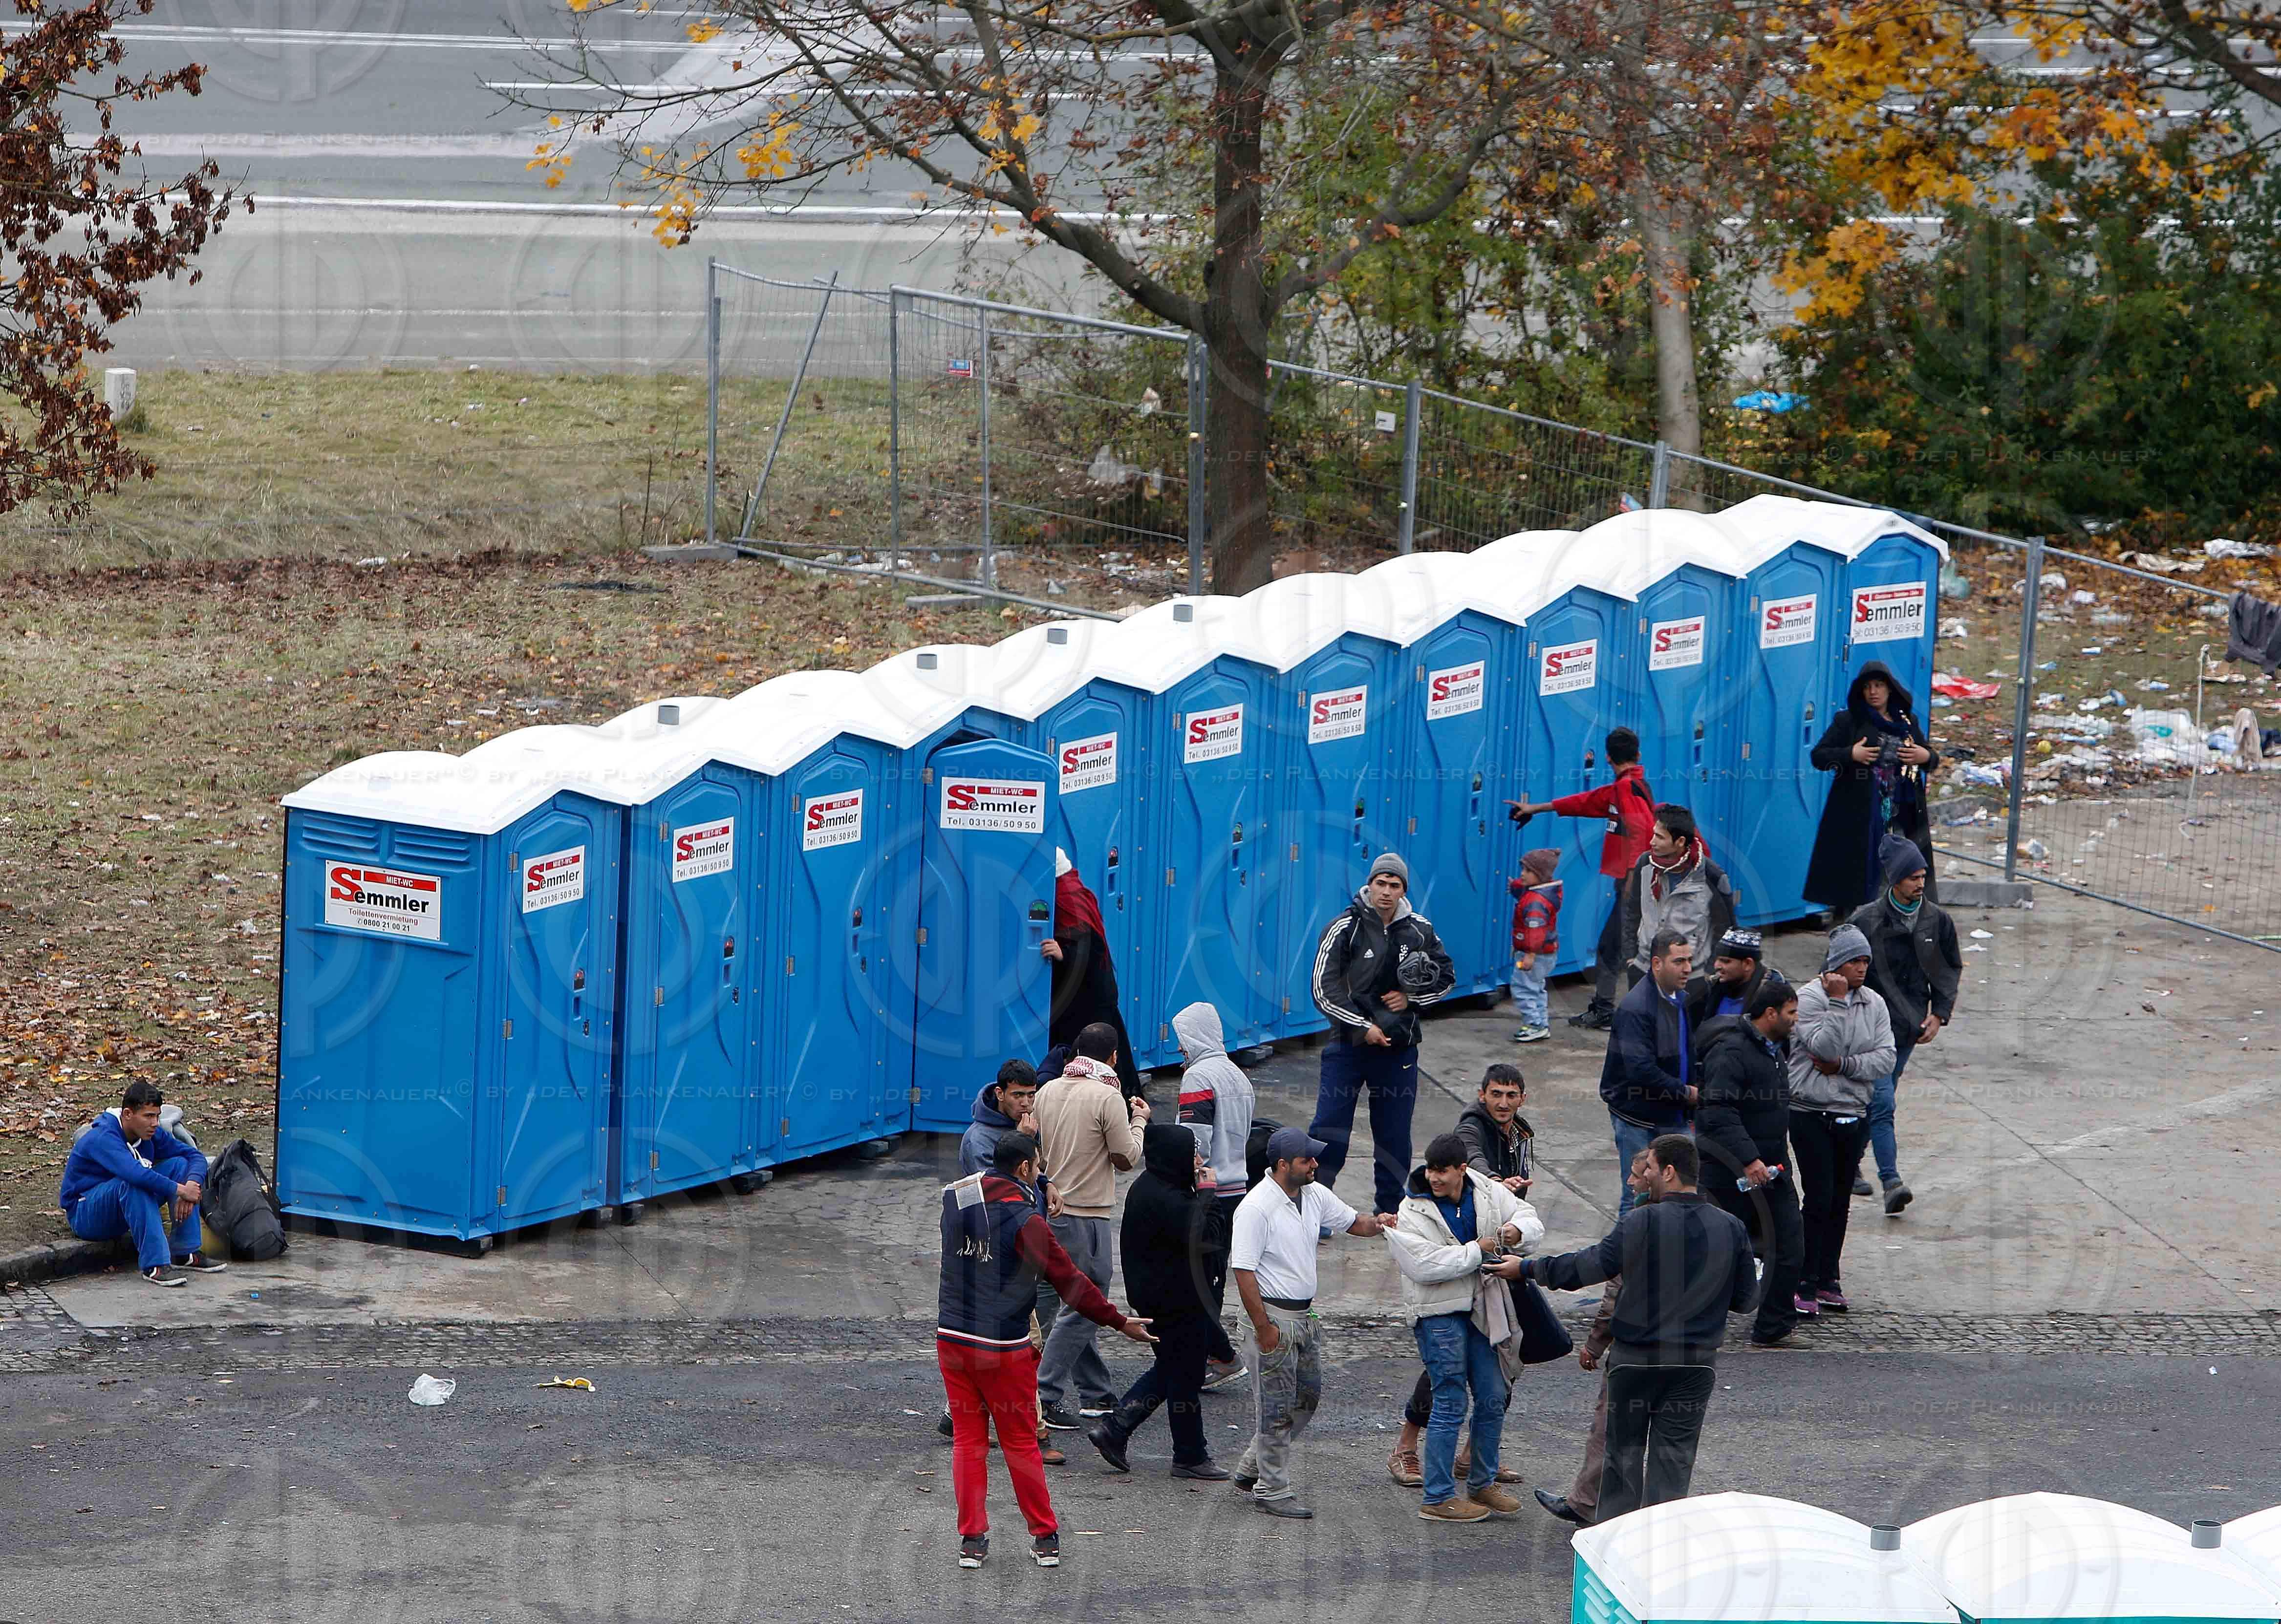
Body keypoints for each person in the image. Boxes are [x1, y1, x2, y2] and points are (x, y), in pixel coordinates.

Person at [936, 1132, 1155, 1571]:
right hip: (1002, 1347)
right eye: (1037, 1167)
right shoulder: (1025, 1221)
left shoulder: (955, 1199)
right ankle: (1044, 1536)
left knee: (969, 1441)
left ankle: (972, 1542)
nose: (1039, 1174)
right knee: (1020, 1443)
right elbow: (1070, 1282)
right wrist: (1119, 1322)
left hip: (953, 1339)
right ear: (1023, 1168)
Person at [1521, 1135, 1756, 1521]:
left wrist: (1529, 1268)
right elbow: (1746, 1301)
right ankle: (1660, 1550)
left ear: (1668, 1171)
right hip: (1695, 1367)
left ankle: (1616, 1543)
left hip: (1636, 1363)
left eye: (1648, 1168)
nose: (1642, 1176)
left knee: (1622, 1461)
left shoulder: (1642, 1221)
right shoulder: (1730, 1227)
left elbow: (1587, 1268)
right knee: (1674, 1465)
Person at [1227, 1126, 1399, 1518]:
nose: (1316, 1164)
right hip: (1272, 1318)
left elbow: (1355, 1223)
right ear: (1283, 1165)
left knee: (1307, 1397)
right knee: (1275, 1407)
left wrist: (1382, 1223)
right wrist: (1264, 1327)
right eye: (1308, 1160)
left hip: (1304, 1317)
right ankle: (1272, 1489)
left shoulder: (1314, 1194)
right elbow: (1244, 1271)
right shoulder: (1255, 1209)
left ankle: (1253, 1466)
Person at [1386, 1058, 1536, 1488]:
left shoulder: (1522, 1133)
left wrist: (1514, 1224)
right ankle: (1408, 1449)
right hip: (1466, 1273)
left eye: (1511, 1095)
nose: (1503, 1103)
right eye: (1496, 1094)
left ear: (1522, 1099)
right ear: (1481, 1095)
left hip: (1497, 1268)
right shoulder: (1471, 1129)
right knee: (1446, 1371)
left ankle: (1476, 1457)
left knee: (1500, 1365)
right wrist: (1492, 1184)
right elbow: (1470, 1156)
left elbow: (1524, 1202)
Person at [1308, 851, 1456, 1218]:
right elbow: (1322, 990)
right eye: (1381, 884)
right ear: (1369, 885)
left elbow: (1447, 977)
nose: (1386, 892)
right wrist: (1363, 1027)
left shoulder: (1420, 929)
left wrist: (1411, 998)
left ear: (1403, 890)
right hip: (1348, 1047)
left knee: (1393, 1137)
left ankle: (1390, 1211)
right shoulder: (1345, 927)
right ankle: (1317, 1210)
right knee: (1329, 1131)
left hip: (1399, 1051)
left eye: (1395, 885)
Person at [1085, 1125, 1232, 1479]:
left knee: (1176, 1369)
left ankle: (1118, 1428)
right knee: (1184, 1375)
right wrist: (1209, 1194)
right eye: (1191, 1155)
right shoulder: (1167, 1198)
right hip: (1176, 1300)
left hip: (1166, 1297)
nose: (1197, 1161)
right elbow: (1207, 1236)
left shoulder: (1158, 1187)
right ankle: (1189, 1455)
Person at [945, 1058, 1064, 1460]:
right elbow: (1001, 1200)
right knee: (1026, 1343)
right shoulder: (980, 1140)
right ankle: (1037, 1434)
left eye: (1031, 1096)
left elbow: (1029, 1175)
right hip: (995, 1259)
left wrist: (1047, 1185)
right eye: (1018, 1096)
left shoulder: (1022, 1128)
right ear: (1000, 1094)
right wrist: (1026, 1146)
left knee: (997, 1344)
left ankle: (955, 1415)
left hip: (1017, 1254)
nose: (1027, 1105)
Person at [1534, 1149, 1659, 1527]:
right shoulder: (1711, 1219)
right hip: (1692, 1355)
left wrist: (1594, 1345)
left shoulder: (1637, 1224)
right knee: (1670, 1442)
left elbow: (1611, 1290)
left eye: (1638, 1174)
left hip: (1635, 1350)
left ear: (1658, 1176)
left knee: (1610, 1429)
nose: (1630, 1181)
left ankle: (1589, 1505)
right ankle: (1653, 1518)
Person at [1034, 1023, 1150, 1429]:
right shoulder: (1108, 1096)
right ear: (1114, 1057)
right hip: (1089, 1215)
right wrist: (1139, 1121)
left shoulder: (1047, 1091)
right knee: (1086, 1305)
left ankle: (1096, 1392)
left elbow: (1039, 1151)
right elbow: (1126, 1157)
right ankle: (1043, 1394)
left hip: (1053, 1210)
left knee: (1076, 1302)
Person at [1506, 726, 1656, 1029]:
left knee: (1619, 950)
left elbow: (1642, 834)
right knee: (1618, 948)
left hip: (1635, 885)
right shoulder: (1625, 787)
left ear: (1607, 758)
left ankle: (1626, 1014)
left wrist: (1631, 882)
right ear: (1638, 755)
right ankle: (1622, 1011)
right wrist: (1536, 808)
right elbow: (1586, 801)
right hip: (1636, 883)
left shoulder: (1627, 790)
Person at [1786, 926, 1895, 1319]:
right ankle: (1804, 1281)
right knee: (1817, 1199)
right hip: (1811, 1113)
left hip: (1855, 1113)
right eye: (1854, 961)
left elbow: (1886, 1059)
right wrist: (1836, 1003)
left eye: (1866, 960)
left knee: (1839, 1201)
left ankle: (1829, 1279)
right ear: (1835, 966)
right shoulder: (1810, 999)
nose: (1863, 968)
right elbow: (1822, 1048)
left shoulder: (1875, 1004)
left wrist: (1846, 1067)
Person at [1850, 834, 1960, 1217]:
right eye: (1913, 876)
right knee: (1882, 1103)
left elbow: (1948, 969)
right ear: (1895, 879)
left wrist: (1939, 1014)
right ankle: (1892, 1182)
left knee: (1877, 1100)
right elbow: (1839, 967)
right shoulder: (1865, 921)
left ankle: (1849, 1164)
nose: (1920, 883)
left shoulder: (1937, 920)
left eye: (1923, 875)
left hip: (1909, 1030)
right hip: (1870, 1031)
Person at [1695, 979, 1804, 1347]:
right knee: (1720, 1253)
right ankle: (1696, 1325)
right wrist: (1749, 1159)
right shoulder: (1731, 1052)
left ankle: (1773, 1326)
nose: (1796, 1020)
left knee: (1789, 1243)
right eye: (1791, 1013)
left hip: (1772, 1170)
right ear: (1770, 1014)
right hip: (1731, 1173)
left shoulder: (1774, 1049)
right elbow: (1717, 1112)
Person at [1804, 660, 1940, 915]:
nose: (1873, 692)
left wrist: (1925, 757)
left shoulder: (1906, 722)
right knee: (1860, 881)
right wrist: (1850, 754)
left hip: (1903, 814)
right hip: (1859, 816)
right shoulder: (1849, 721)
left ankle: (1901, 930)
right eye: (1868, 687)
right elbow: (1819, 756)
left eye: (1879, 686)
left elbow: (1930, 758)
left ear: (1890, 689)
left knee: (1901, 872)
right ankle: (1854, 936)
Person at [59, 1082, 224, 1286]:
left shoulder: (151, 1133)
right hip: (86, 1213)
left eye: (157, 1115)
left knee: (180, 1165)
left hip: (125, 1204)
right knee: (135, 1182)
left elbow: (194, 1156)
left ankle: (185, 1252)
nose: (155, 1123)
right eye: (148, 1116)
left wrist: (192, 1184)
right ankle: (155, 1266)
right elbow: (135, 1174)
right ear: (128, 1114)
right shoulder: (103, 1137)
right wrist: (182, 1190)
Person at [1172, 1000, 1255, 1389]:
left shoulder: (1199, 1077)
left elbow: (1195, 1141)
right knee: (1213, 1276)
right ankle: (1213, 1354)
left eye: (1181, 1040)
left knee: (1196, 1279)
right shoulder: (1238, 1075)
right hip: (1236, 1189)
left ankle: (1215, 1356)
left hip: (1207, 1191)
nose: (1179, 1050)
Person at [1599, 928, 1696, 1216]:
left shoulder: (1679, 999)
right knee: (1638, 1197)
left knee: (1680, 1194)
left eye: (1689, 960)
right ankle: (1625, 1258)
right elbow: (1641, 1070)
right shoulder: (1636, 1008)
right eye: (1678, 962)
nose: (1687, 968)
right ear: (1657, 964)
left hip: (1671, 1113)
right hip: (1637, 1120)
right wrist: (1687, 1093)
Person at [1039, 850, 1144, 1100]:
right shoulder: (1077, 893)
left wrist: (1064, 954)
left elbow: (1087, 947)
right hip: (1095, 1006)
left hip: (1083, 1010)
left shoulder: (1068, 900)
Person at [1619, 804, 1737, 989]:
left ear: (1680, 842)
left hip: (1691, 979)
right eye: (1653, 835)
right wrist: (1630, 957)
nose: (1652, 842)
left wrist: (1708, 971)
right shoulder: (1645, 864)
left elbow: (1725, 927)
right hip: (1644, 970)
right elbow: (1632, 911)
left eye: (1659, 837)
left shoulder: (1712, 877)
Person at [1507, 846, 1563, 1043]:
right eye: (1522, 869)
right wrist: (1515, 885)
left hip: (1534, 955)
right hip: (1545, 954)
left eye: (1528, 871)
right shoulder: (1541, 893)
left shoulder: (1537, 903)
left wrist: (1530, 954)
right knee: (1536, 988)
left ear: (1541, 875)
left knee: (1523, 987)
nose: (1523, 874)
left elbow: (1536, 931)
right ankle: (1541, 1024)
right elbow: (1524, 892)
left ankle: (1534, 1024)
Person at [1684, 927, 1782, 1033]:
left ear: (1748, 964)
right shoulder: (1711, 988)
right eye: (1717, 959)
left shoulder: (1775, 997)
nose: (1716, 966)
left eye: (1725, 961)